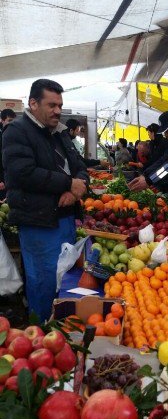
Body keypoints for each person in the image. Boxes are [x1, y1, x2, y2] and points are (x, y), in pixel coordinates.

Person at [2, 79, 89, 322]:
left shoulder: (60, 132)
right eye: (51, 105)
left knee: (65, 279)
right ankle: (41, 333)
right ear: (33, 103)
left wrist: (75, 189)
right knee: (43, 281)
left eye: (60, 105)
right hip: (39, 223)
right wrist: (66, 183)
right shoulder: (17, 131)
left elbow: (80, 168)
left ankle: (61, 329)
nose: (58, 111)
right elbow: (22, 172)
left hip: (66, 220)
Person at [0, 109, 16, 199]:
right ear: (2, 120)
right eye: (9, 120)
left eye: (14, 121)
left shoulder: (15, 136)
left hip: (11, 179)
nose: (12, 123)